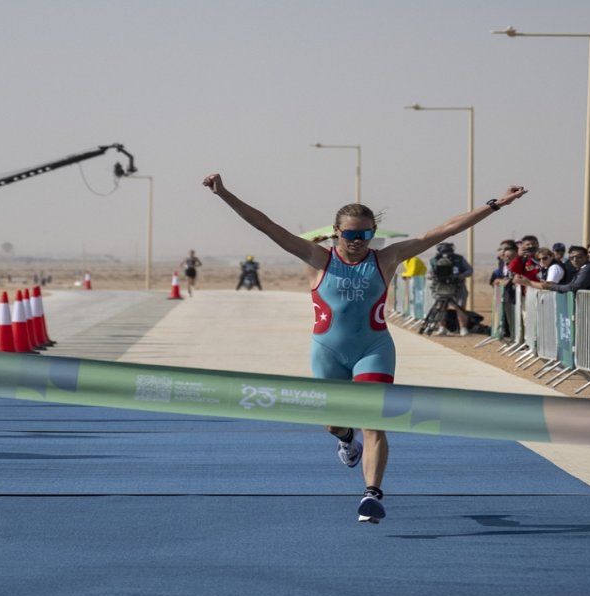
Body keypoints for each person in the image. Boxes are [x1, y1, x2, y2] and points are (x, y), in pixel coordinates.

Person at [203, 172, 527, 523]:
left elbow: (446, 229)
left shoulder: (387, 259)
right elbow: (265, 225)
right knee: (333, 423)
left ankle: (372, 494)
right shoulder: (317, 257)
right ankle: (345, 439)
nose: (359, 241)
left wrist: (496, 204)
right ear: (336, 232)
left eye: (366, 234)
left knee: (374, 421)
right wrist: (225, 194)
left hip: (373, 349)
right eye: (352, 234)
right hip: (327, 351)